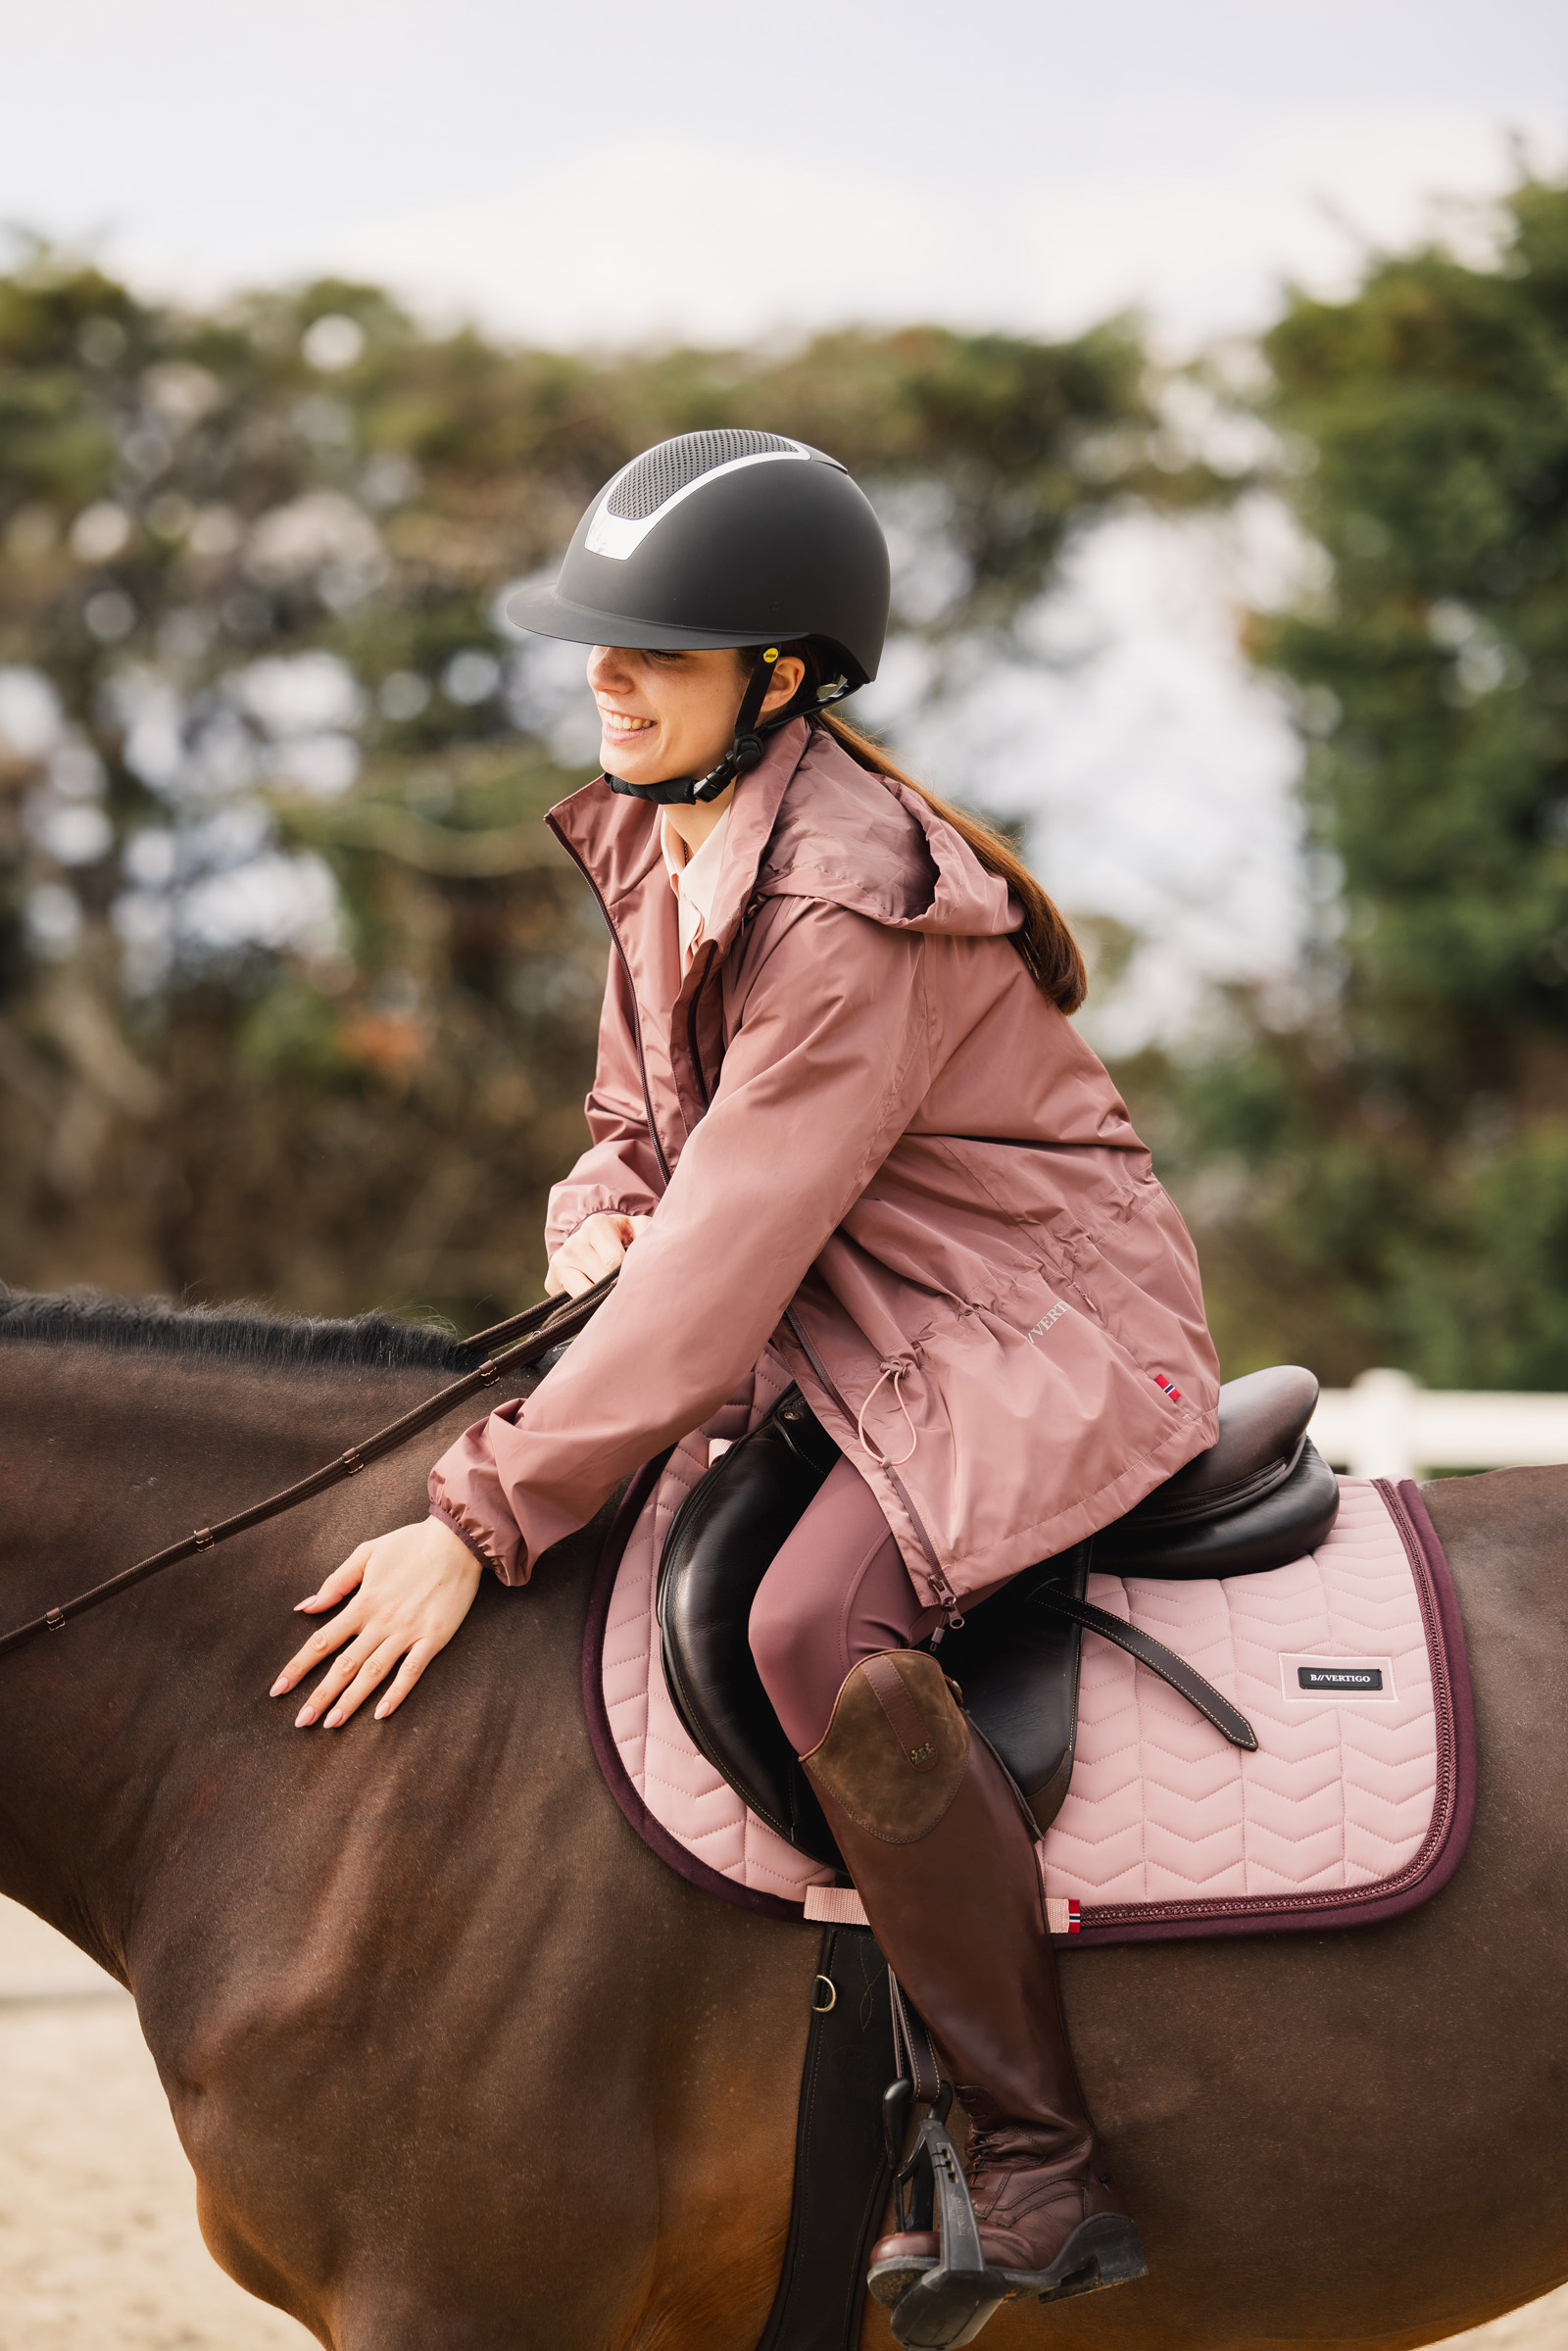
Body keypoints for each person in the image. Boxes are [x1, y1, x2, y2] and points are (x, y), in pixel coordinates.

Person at [270, 429, 1220, 2329]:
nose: (606, 680)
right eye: (599, 647)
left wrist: (480, 1515)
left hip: (1026, 1342)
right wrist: (586, 1225)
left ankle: (1033, 2160)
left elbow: (729, 1252)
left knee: (806, 1631)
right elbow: (640, 1141)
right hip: (853, 1324)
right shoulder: (661, 836)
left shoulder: (843, 892)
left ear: (777, 677)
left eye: (659, 651)